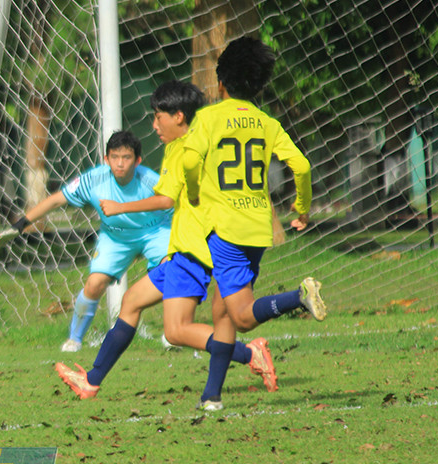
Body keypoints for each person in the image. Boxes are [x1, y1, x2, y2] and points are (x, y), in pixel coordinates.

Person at [54, 81, 276, 399]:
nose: (154, 125)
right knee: (131, 302)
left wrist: (121, 207)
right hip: (182, 249)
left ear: (179, 117)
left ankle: (248, 354)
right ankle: (91, 381)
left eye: (158, 117)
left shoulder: (189, 147)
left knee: (176, 331)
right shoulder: (187, 145)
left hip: (192, 251)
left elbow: (165, 200)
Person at [182, 36, 326, 411]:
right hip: (257, 229)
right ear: (259, 85)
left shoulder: (208, 118)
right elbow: (302, 166)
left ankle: (298, 298)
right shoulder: (267, 122)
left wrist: (195, 192)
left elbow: (189, 162)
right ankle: (211, 395)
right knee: (221, 310)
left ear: (220, 84)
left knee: (242, 317)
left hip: (225, 231)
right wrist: (302, 208)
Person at [0, 130, 171, 353]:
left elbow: (173, 203)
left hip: (154, 231)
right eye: (114, 157)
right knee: (94, 284)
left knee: (171, 270)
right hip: (115, 237)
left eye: (126, 158)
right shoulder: (94, 179)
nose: (120, 164)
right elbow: (57, 200)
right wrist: (20, 224)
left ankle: (173, 331)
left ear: (138, 160)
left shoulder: (151, 181)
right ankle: (74, 339)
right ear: (106, 159)